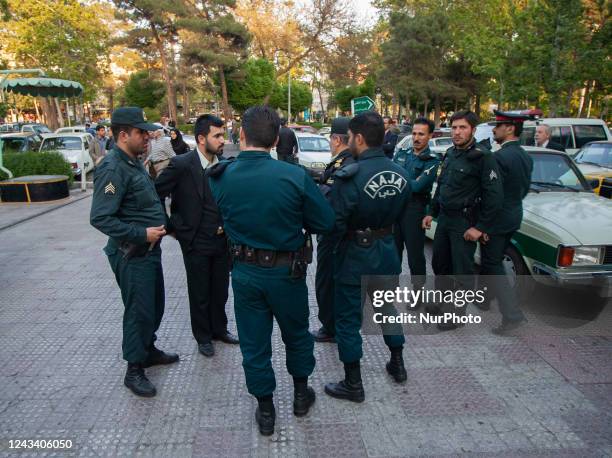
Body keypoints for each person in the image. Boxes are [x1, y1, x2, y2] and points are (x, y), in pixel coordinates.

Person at [208, 105, 335, 436]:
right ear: (277, 137)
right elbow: (324, 222)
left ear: (242, 135)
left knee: (254, 343)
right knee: (296, 335)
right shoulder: (294, 176)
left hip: (246, 274)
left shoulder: (221, 177)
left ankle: (266, 410)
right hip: (287, 273)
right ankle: (300, 395)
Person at [90, 107, 179, 398]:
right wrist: (141, 234)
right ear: (123, 134)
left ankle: (148, 350)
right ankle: (134, 369)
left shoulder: (132, 162)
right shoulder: (113, 168)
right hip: (132, 253)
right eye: (141, 132)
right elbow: (101, 217)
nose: (148, 136)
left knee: (154, 306)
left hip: (148, 252)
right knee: (138, 312)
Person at [324, 111, 412, 404]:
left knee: (348, 320)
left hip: (354, 257)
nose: (348, 141)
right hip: (387, 252)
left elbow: (334, 223)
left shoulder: (350, 176)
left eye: (349, 136)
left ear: (359, 138)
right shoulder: (401, 172)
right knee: (387, 308)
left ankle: (353, 383)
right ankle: (397, 364)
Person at [155, 115, 238, 358]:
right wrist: (171, 226)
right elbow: (155, 193)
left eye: (223, 135)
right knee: (200, 290)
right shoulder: (182, 164)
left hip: (222, 239)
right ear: (202, 139)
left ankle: (219, 329)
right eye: (218, 136)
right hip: (194, 240)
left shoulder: (223, 165)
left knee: (220, 289)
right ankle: (203, 337)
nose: (223, 140)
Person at [422, 110, 503, 331]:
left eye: (462, 128)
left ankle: (456, 315)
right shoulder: (450, 153)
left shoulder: (483, 157)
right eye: (454, 127)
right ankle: (441, 303)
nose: (457, 132)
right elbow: (443, 187)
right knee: (440, 265)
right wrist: (432, 212)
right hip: (445, 220)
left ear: (473, 130)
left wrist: (480, 227)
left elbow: (494, 197)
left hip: (464, 223)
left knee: (462, 271)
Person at [482, 110, 533, 334]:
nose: (494, 129)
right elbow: (524, 189)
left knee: (493, 265)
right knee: (492, 261)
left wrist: (483, 225)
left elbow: (493, 195)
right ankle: (485, 296)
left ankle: (512, 315)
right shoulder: (525, 155)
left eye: (499, 126)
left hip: (497, 219)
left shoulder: (499, 157)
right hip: (513, 215)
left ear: (510, 128)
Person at [311, 117, 355, 343]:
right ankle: (333, 325)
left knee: (327, 282)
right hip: (340, 234)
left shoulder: (343, 164)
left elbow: (327, 198)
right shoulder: (348, 161)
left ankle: (330, 327)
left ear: (337, 139)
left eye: (330, 139)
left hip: (333, 234)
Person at [393, 117, 440, 298]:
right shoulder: (402, 153)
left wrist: (397, 181)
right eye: (414, 133)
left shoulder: (431, 161)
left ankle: (418, 293)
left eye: (421, 134)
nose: (416, 137)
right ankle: (391, 288)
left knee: (415, 256)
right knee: (393, 252)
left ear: (430, 136)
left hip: (415, 211)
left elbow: (417, 187)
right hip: (396, 210)